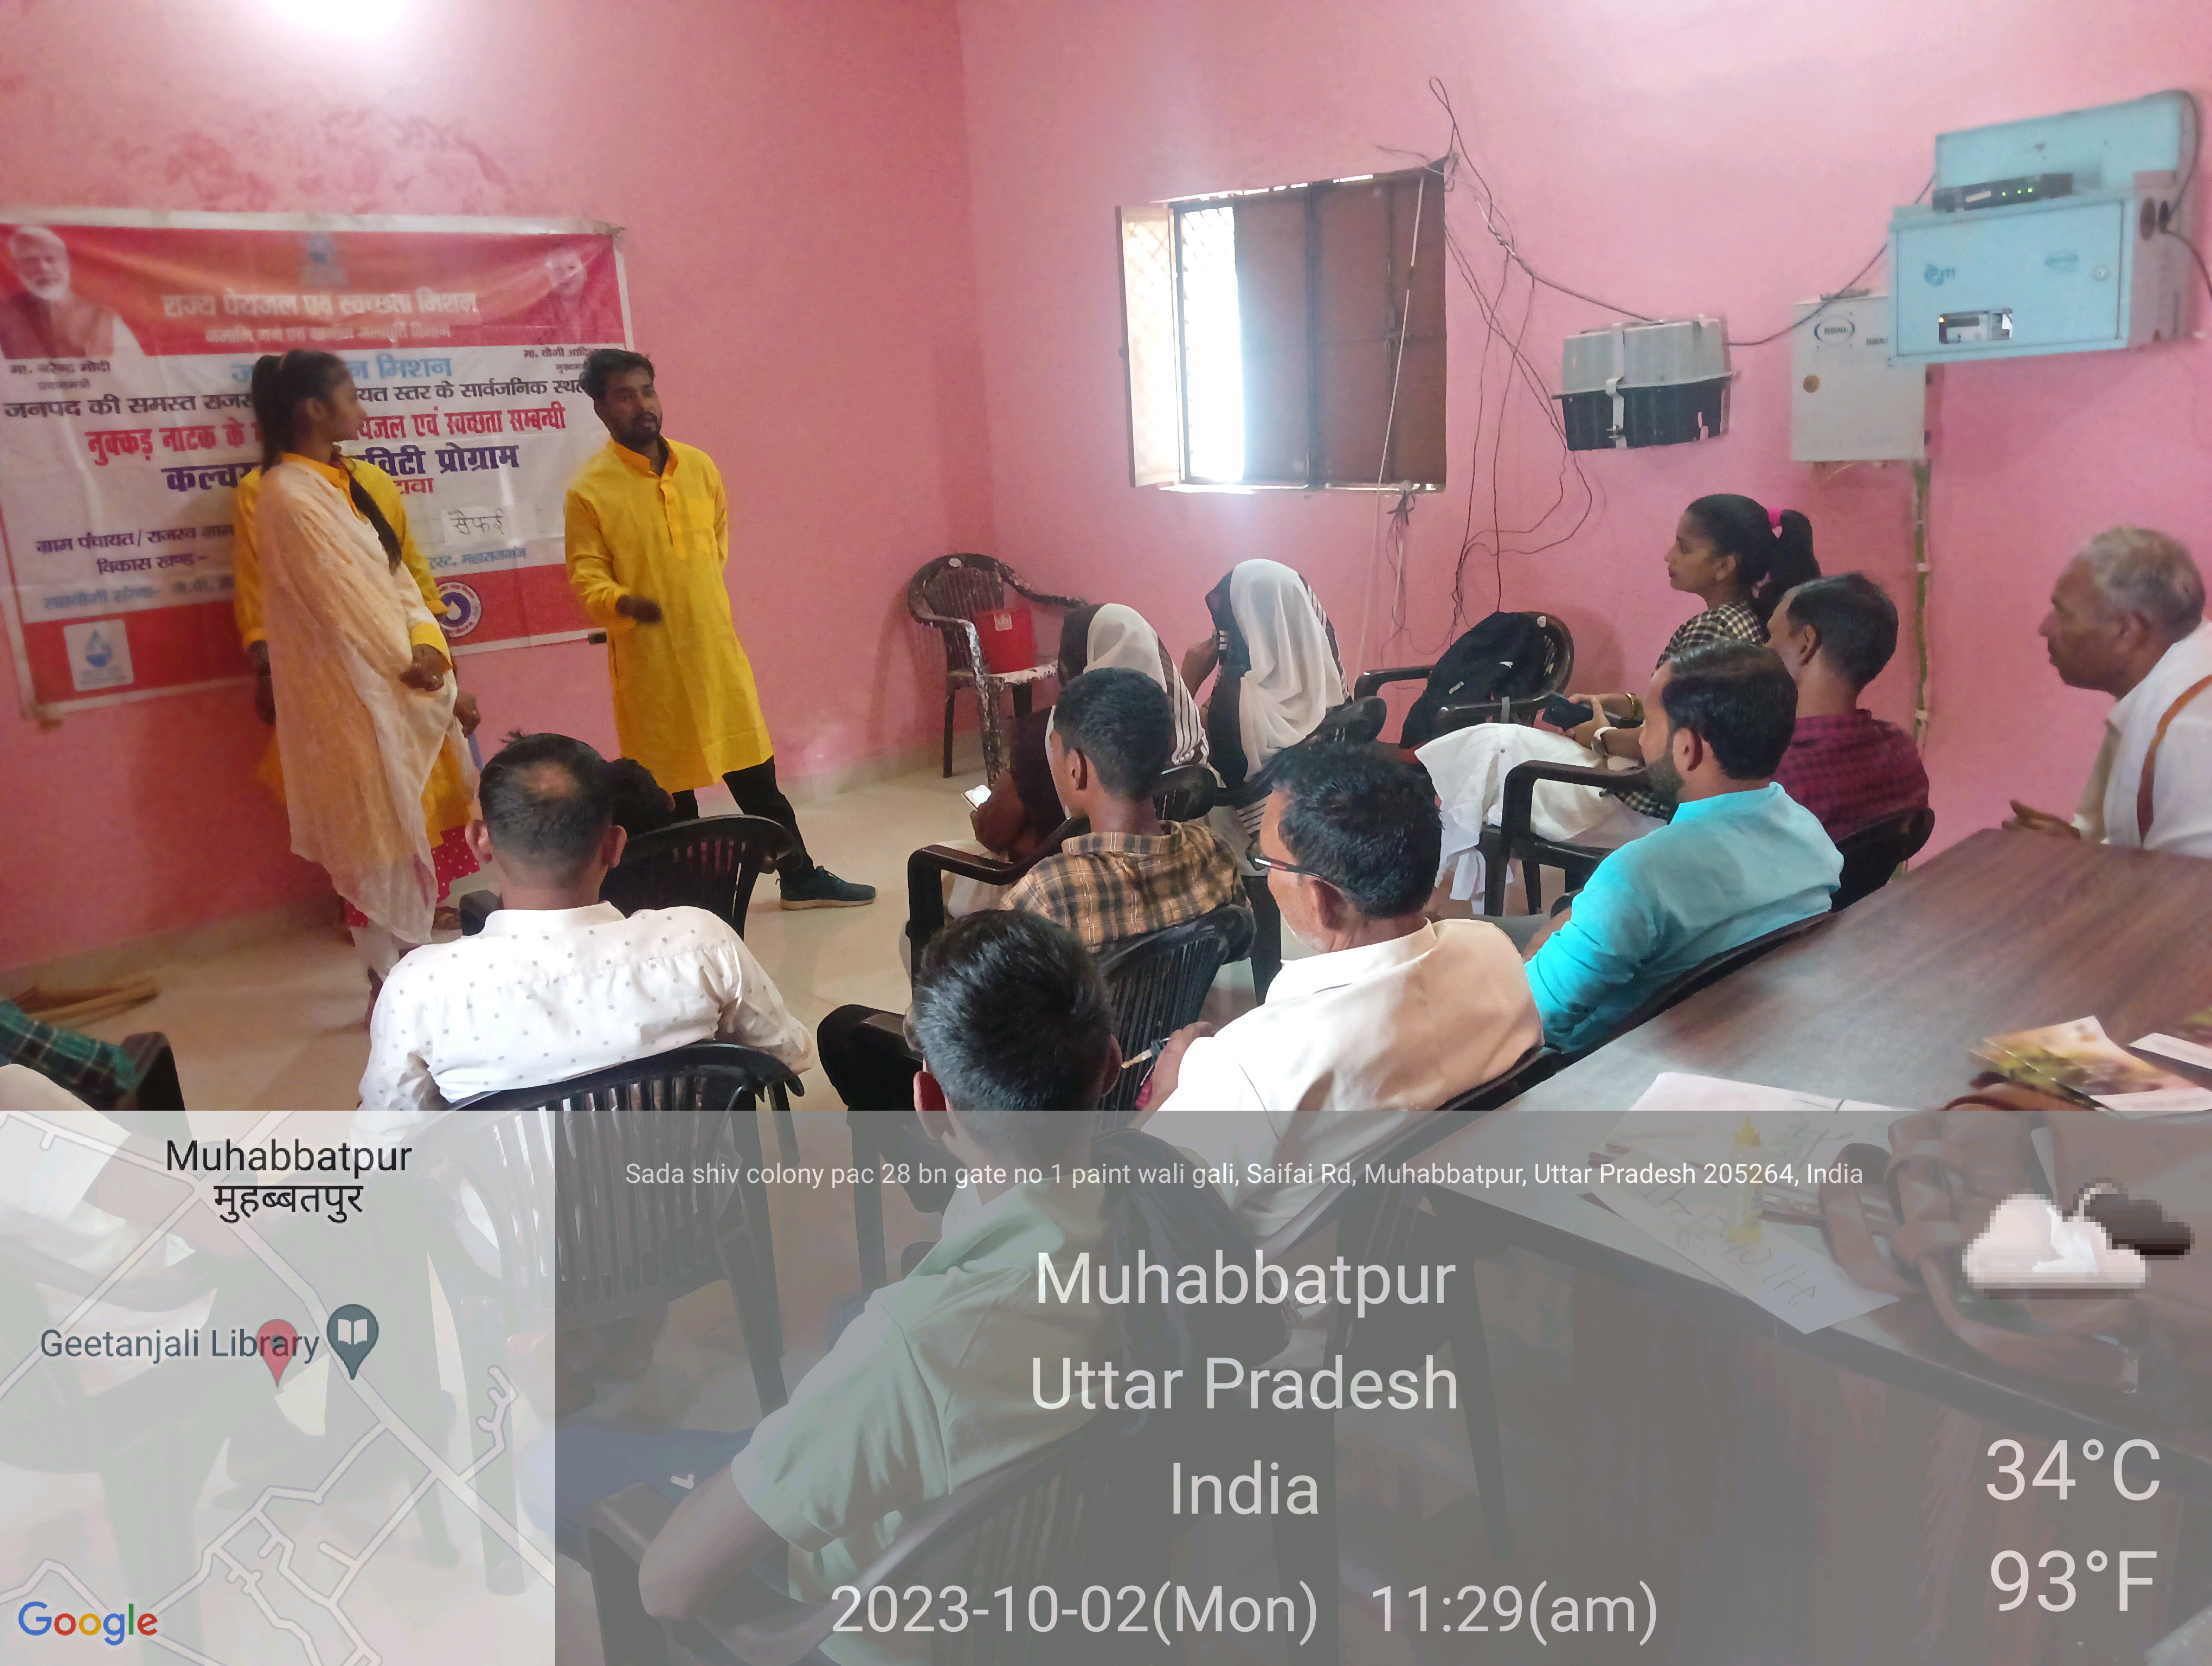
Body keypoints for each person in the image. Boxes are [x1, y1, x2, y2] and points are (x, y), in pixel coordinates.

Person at [634, 911, 1116, 1650]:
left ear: (929, 1104)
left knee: (557, 1468)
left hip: (869, 1629)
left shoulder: (916, 1349)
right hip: (1051, 1572)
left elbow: (668, 1586)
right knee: (841, 1328)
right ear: (1110, 1064)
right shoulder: (1170, 1195)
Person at [1139, 743, 1542, 1243]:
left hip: (1273, 1288)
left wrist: (1165, 1097)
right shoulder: (1493, 953)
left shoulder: (1258, 1064)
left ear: (1320, 899)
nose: (1267, 877)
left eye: (1267, 862)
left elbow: (1139, 1222)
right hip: (1430, 1249)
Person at [821, 668, 1240, 1118]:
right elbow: (1237, 943)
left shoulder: (1051, 891)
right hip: (1151, 1077)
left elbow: (926, 1028)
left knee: (843, 1032)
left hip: (1044, 1099)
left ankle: (927, 1162)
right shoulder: (1212, 854)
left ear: (1077, 768)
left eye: (1054, 751)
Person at [358, 733, 813, 1117]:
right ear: (614, 846)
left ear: (480, 842)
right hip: (688, 1194)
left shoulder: (420, 988)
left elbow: (389, 1140)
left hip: (509, 1203)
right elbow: (790, 1054)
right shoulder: (700, 943)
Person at [563, 348, 873, 907]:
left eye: (647, 391)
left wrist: (690, 605)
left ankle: (799, 877)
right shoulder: (589, 490)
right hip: (651, 668)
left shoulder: (699, 468)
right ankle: (688, 901)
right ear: (601, 409)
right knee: (671, 800)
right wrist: (623, 602)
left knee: (758, 780)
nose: (642, 405)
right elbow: (586, 576)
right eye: (625, 396)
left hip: (715, 656)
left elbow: (717, 546)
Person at [1420, 494, 1820, 901]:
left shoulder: (1712, 630)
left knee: (1495, 744)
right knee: (1503, 747)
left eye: (1684, 548)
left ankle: (1438, 887)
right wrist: (1625, 704)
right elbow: (1687, 712)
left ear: (1724, 566)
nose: (1669, 556)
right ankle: (1454, 882)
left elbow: (1676, 743)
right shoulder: (1744, 621)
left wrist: (1601, 736)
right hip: (1665, 786)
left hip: (1644, 798)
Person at [248, 350, 477, 989]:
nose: (363, 410)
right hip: (353, 704)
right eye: (351, 397)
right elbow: (351, 615)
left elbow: (396, 580)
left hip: (398, 694)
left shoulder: (335, 483)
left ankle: (414, 987)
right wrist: (440, 690)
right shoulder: (288, 496)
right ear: (314, 409)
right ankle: (389, 990)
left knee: (409, 839)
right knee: (376, 850)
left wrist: (430, 646)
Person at [1519, 644, 1842, 1054]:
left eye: (1649, 725)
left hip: (1595, 1069)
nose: (1643, 739)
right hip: (1739, 1036)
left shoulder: (1637, 876)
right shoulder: (1812, 837)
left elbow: (1527, 1015)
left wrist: (1536, 951)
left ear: (1688, 749)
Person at [232, 451, 479, 793]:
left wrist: (438, 654)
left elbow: (410, 574)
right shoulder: (266, 490)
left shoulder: (374, 481)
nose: (362, 421)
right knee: (358, 793)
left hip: (408, 670)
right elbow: (259, 590)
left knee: (427, 792)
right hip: (331, 678)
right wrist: (266, 672)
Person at [1180, 559, 1347, 994]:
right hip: (1317, 812)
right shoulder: (1320, 676)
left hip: (1249, 827)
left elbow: (1190, 749)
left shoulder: (1238, 696)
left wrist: (1186, 681)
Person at [2004, 528, 2211, 858]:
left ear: (2125, 630)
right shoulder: (2183, 676)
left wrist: (2075, 864)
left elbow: (2190, 886)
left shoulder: (2190, 731)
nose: (2045, 628)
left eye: (2063, 613)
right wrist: (2078, 850)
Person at [968, 601, 1208, 866]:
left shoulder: (1054, 733)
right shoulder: (1178, 726)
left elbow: (994, 832)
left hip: (1066, 871)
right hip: (1170, 862)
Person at [1767, 574, 1930, 841]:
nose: (1764, 648)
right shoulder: (1902, 751)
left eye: (1772, 635)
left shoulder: (1774, 775)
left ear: (1806, 643)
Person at [0, 226, 137, 358]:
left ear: (67, 263)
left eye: (50, 258)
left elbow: (134, 369)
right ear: (17, 268)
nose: (43, 268)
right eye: (30, 260)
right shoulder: (4, 316)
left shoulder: (104, 317)